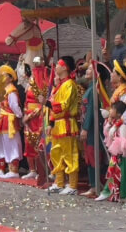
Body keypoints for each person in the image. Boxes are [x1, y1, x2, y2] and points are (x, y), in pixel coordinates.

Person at [46, 56, 81, 195]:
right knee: (56, 153)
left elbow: (64, 106)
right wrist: (50, 123)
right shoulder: (59, 85)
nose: (56, 67)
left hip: (66, 123)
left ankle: (72, 185)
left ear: (65, 67)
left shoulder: (70, 84)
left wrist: (47, 103)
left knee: (69, 154)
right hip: (57, 124)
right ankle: (59, 182)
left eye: (58, 64)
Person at [97, 101, 126, 202]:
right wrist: (109, 123)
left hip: (124, 154)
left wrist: (119, 153)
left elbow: (123, 140)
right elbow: (107, 134)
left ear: (119, 113)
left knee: (124, 174)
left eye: (113, 109)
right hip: (117, 153)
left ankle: (123, 193)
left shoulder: (123, 125)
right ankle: (109, 192)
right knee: (113, 173)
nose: (110, 110)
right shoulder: (114, 123)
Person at [80, 62, 108, 197]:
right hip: (88, 126)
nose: (87, 70)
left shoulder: (94, 89)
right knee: (89, 155)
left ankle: (95, 185)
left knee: (93, 154)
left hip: (92, 128)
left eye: (91, 69)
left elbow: (91, 110)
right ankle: (94, 184)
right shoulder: (90, 88)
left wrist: (85, 128)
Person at [22, 60, 49, 182]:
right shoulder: (30, 84)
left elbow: (42, 104)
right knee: (28, 142)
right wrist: (25, 114)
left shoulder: (43, 84)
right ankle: (32, 170)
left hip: (37, 117)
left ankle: (41, 170)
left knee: (38, 142)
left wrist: (30, 115)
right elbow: (26, 101)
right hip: (28, 116)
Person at [0, 64, 23, 179]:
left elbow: (14, 105)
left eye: (4, 75)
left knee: (12, 144)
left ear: (10, 78)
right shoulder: (5, 89)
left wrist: (19, 115)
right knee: (7, 144)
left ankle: (14, 169)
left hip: (10, 120)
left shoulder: (11, 90)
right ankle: (11, 168)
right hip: (4, 119)